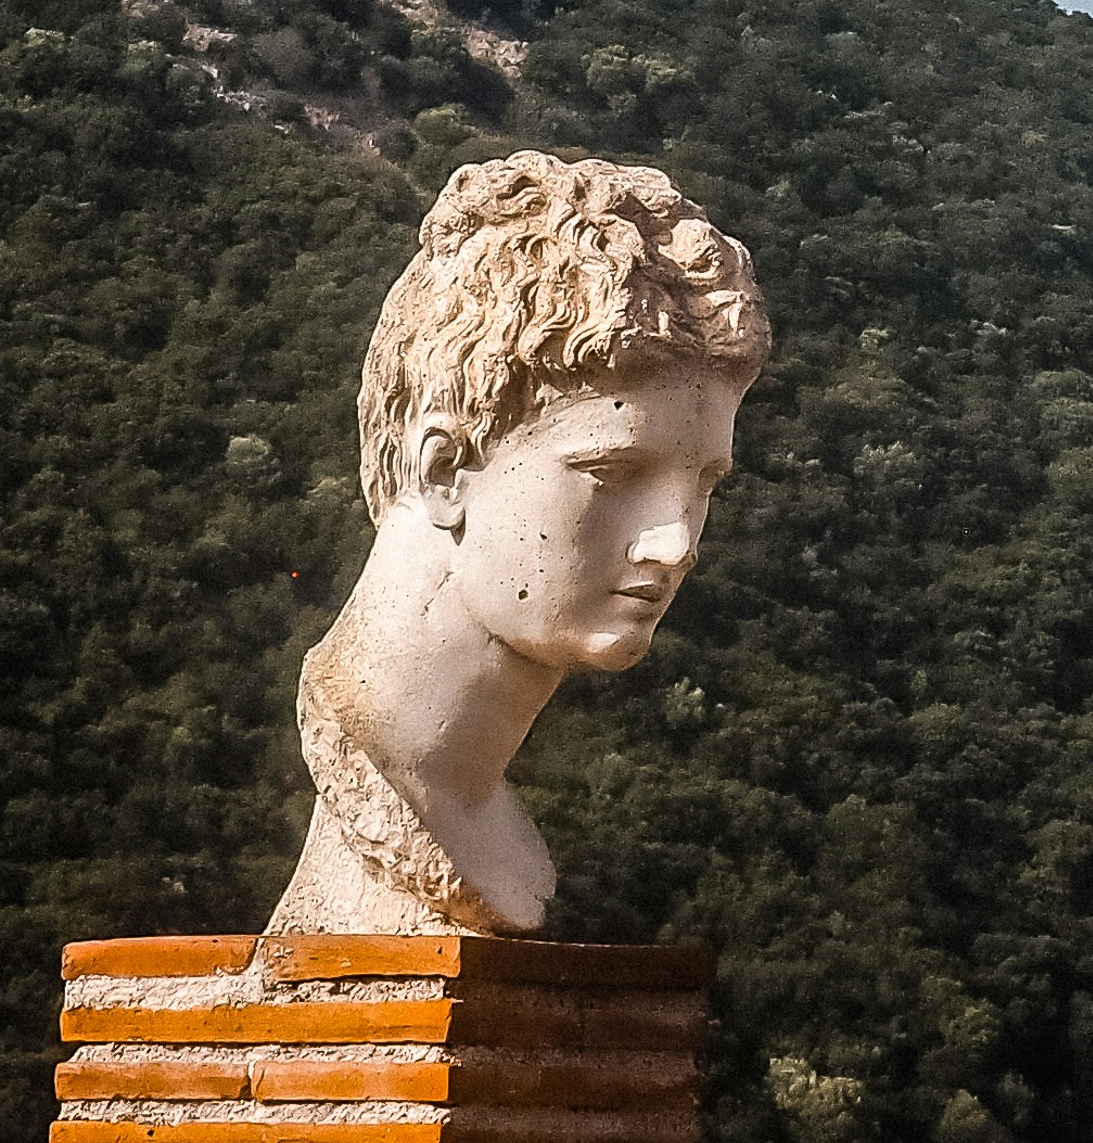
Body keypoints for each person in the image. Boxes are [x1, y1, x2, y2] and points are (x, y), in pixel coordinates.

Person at [264, 151, 770, 939]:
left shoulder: (479, 805)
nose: (676, 544)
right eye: (613, 471)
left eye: (705, 483)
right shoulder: (395, 778)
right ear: (445, 469)